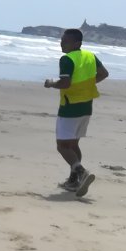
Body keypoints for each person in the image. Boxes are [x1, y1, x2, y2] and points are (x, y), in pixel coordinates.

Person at [43, 28, 108, 197]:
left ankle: (81, 172)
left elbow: (65, 84)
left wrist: (51, 84)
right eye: (61, 40)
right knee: (73, 145)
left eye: (65, 41)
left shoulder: (66, 59)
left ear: (76, 44)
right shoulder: (90, 56)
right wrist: (87, 85)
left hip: (70, 107)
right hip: (86, 106)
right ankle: (74, 181)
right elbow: (103, 74)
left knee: (62, 146)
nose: (61, 43)